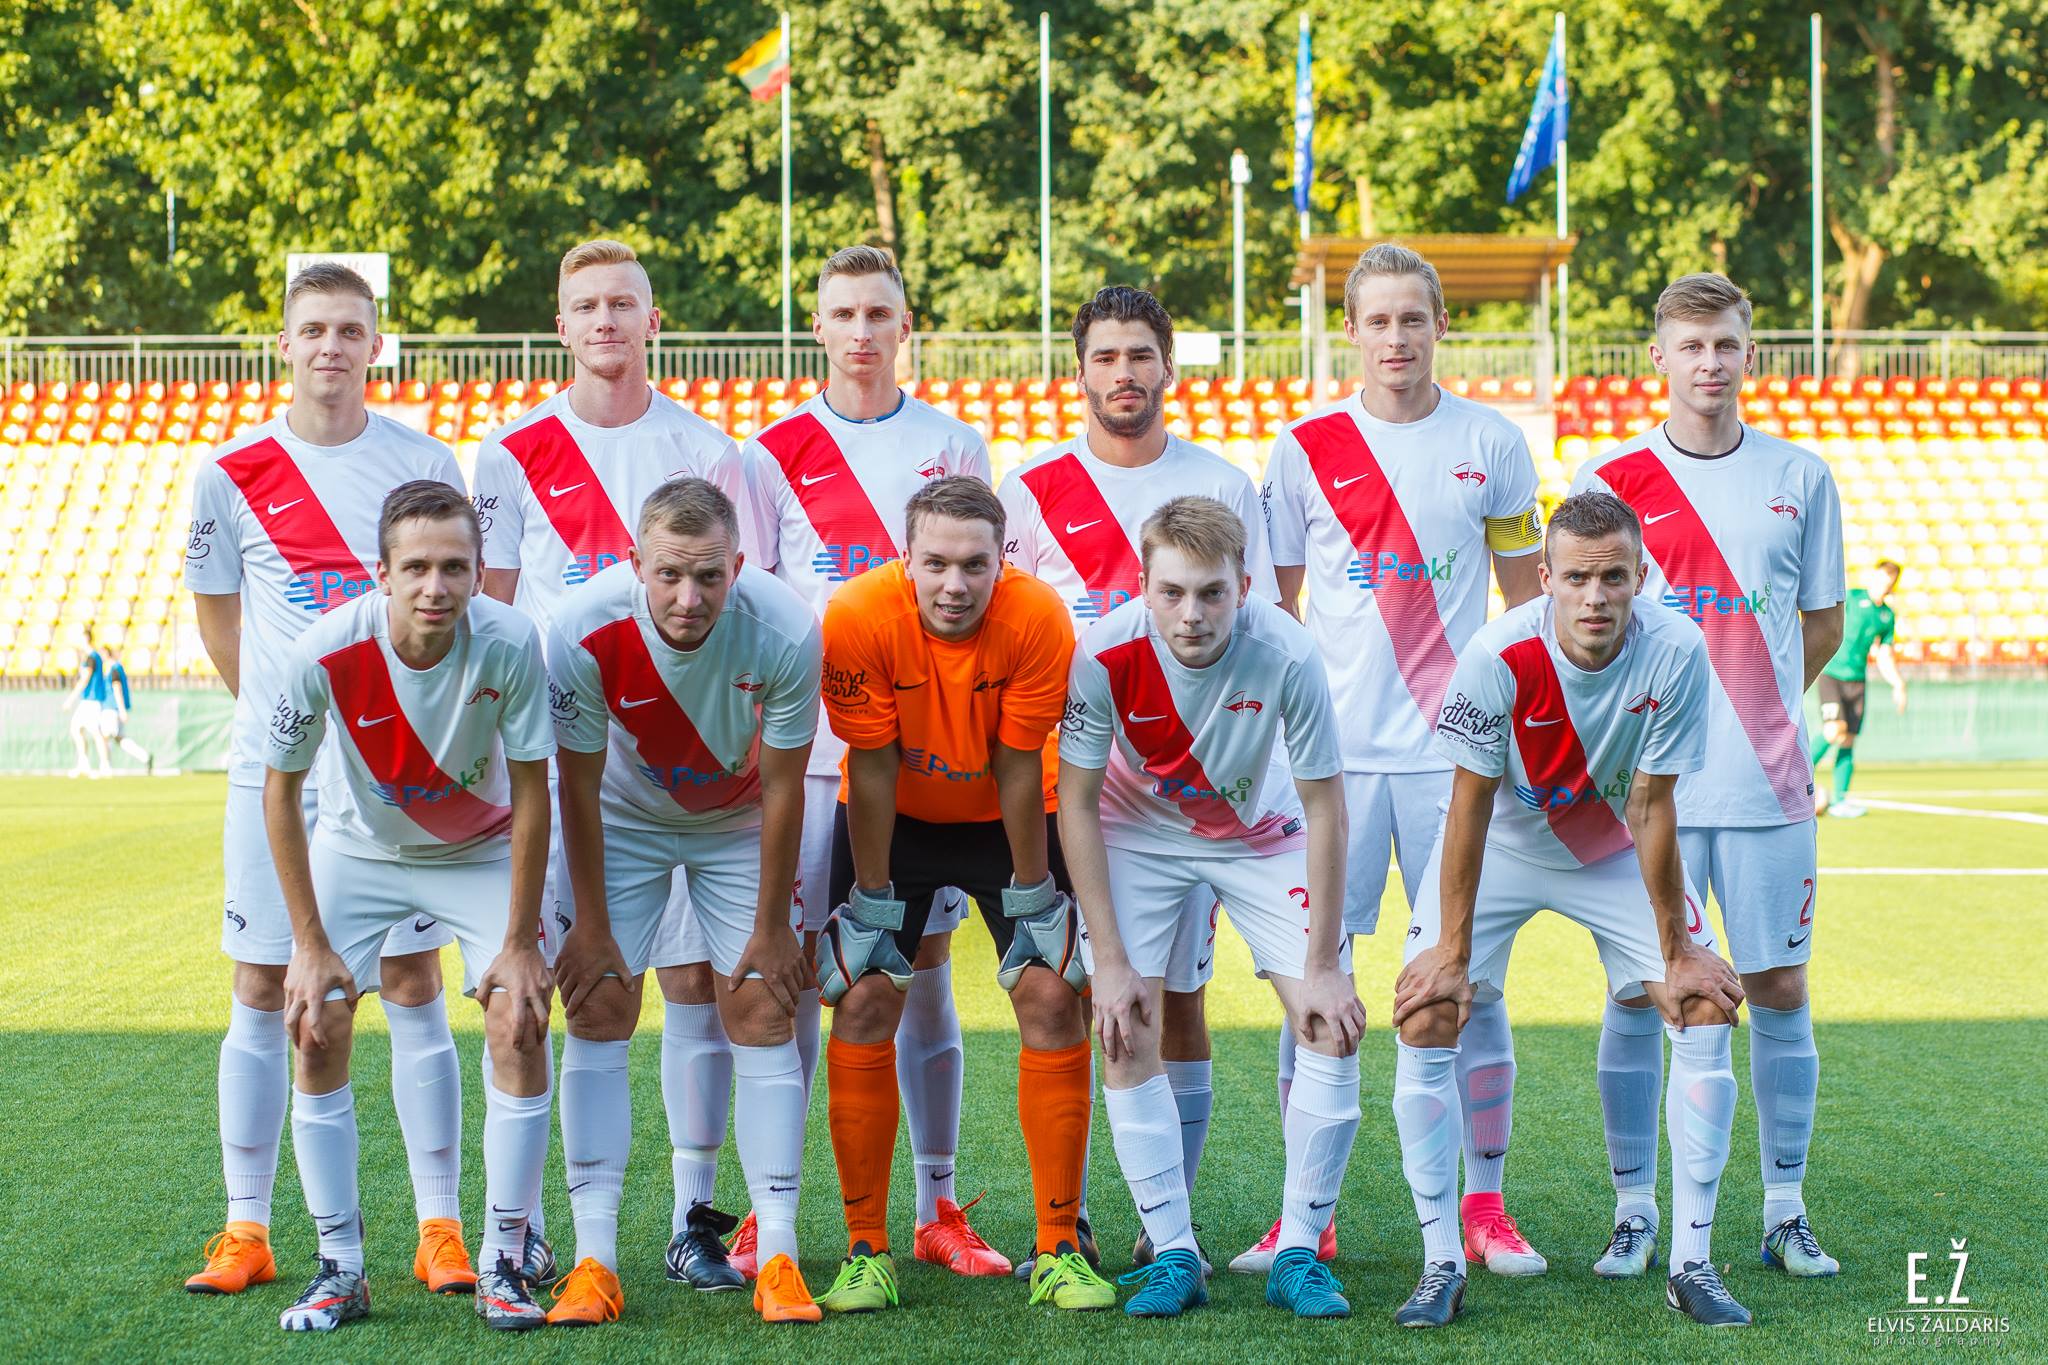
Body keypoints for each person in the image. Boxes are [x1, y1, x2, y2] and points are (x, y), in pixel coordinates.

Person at [184, 263, 480, 1297]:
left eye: (350, 330)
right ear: (284, 342)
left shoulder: (422, 459)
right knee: (265, 985)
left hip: (397, 775)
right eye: (313, 329)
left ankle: (440, 1225)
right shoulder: (229, 471)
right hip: (279, 776)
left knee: (412, 981)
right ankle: (246, 1226)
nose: (330, 347)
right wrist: (287, 729)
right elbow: (218, 613)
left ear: (374, 344)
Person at [1255, 243, 1547, 1276]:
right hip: (1330, 768)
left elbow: (1529, 611)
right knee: (1312, 980)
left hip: (1451, 764)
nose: (1395, 338)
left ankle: (1485, 1205)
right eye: (1376, 320)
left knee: (1472, 982)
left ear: (1440, 325)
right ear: (1349, 330)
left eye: (1412, 319)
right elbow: (1278, 612)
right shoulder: (1302, 449)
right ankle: (1306, 1214)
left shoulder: (1492, 442)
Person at [1391, 490, 1749, 1328]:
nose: (1596, 596)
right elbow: (1469, 803)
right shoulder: (1496, 652)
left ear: (1641, 577)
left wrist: (1678, 951)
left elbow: (1652, 805)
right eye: (1578, 577)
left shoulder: (1677, 649)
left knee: (1702, 1002)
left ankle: (1692, 1263)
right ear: (1545, 577)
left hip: (1612, 844)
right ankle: (1440, 1261)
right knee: (1427, 1008)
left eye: (1614, 577)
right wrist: (1451, 951)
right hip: (1504, 842)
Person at [472, 237, 750, 1284]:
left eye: (622, 303)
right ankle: (539, 1226)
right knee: (578, 991)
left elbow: (723, 603)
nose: (605, 320)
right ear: (561, 325)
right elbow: (498, 614)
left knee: (694, 984)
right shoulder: (511, 452)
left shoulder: (707, 449)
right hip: (566, 764)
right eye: (586, 304)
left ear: (652, 319)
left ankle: (692, 1219)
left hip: (685, 759)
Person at [1570, 273, 1846, 1283]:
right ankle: (1633, 1210)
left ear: (1748, 352)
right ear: (1658, 356)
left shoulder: (1800, 475)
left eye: (1725, 344)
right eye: (1690, 346)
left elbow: (1822, 623)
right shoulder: (1612, 479)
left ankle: (1783, 1209)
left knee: (1778, 987)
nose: (1709, 363)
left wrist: (1754, 711)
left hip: (1767, 787)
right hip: (1650, 792)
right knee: (1639, 993)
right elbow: (1587, 628)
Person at [1000, 287, 1280, 1274]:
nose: (1123, 373)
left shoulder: (1223, 483)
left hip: (1194, 786)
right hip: (1075, 787)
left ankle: (1170, 1224)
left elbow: (1261, 630)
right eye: (1105, 356)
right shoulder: (1030, 488)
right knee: (1073, 991)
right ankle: (1065, 1217)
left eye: (1139, 355)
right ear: (1078, 369)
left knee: (1178, 999)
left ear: (1167, 366)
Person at [740, 245, 996, 1276]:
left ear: (904, 325)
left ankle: (937, 1206)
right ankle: (772, 1207)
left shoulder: (953, 442)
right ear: (817, 326)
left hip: (923, 758)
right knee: (801, 975)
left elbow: (970, 596)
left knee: (923, 975)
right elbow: (755, 605)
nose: (860, 331)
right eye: (842, 313)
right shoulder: (768, 452)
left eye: (877, 313)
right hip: (808, 760)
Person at [262, 483, 557, 1332]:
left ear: (478, 572)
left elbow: (532, 792)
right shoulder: (324, 650)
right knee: (315, 1018)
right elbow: (280, 792)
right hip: (360, 852)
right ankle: (340, 1267)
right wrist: (309, 943)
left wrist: (519, 941)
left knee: (519, 1019)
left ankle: (505, 1261)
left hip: (478, 850)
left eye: (455, 566)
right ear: (381, 573)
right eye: (418, 567)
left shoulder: (510, 642)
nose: (436, 586)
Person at [812, 476, 1111, 1313]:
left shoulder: (1038, 616)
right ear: (905, 560)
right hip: (895, 814)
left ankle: (1058, 1246)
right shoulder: (856, 614)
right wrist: (872, 902)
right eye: (937, 563)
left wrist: (1034, 895)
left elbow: (1019, 761)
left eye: (975, 565)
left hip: (1005, 813)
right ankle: (866, 1249)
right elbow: (872, 763)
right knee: (866, 994)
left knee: (1050, 992)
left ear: (1000, 563)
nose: (955, 584)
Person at [1061, 496, 1363, 1321]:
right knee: (1124, 1023)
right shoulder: (1103, 652)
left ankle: (1298, 1250)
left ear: (1245, 587)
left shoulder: (1288, 650)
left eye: (1211, 593)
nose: (1190, 613)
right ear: (1143, 585)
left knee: (1331, 1020)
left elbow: (1327, 807)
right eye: (1171, 592)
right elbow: (1076, 802)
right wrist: (1109, 961)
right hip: (1139, 832)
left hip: (1260, 833)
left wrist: (1325, 963)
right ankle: (1175, 1251)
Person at [541, 479, 823, 1326]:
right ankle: (594, 1261)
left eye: (709, 576)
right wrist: (592, 927)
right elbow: (577, 785)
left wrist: (772, 929)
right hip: (623, 817)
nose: (689, 598)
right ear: (635, 563)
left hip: (735, 819)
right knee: (599, 1005)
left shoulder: (787, 627)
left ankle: (779, 1255)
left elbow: (784, 786)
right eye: (668, 574)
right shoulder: (579, 627)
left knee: (764, 1007)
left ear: (740, 564)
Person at [1812, 559, 1905, 818]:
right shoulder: (1852, 599)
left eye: (1889, 582)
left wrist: (1898, 683)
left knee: (1848, 738)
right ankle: (1793, 776)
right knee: (1834, 730)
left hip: (1857, 680)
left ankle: (1840, 800)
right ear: (1874, 577)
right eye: (1882, 578)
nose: (1884, 585)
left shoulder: (1886, 616)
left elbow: (1884, 654)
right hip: (1832, 673)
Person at [64, 631, 153, 776]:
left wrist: (121, 709)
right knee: (113, 737)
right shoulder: (110, 667)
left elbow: (116, 689)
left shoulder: (110, 667)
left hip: (107, 707)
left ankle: (104, 766)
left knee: (101, 735)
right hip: (106, 706)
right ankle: (143, 757)